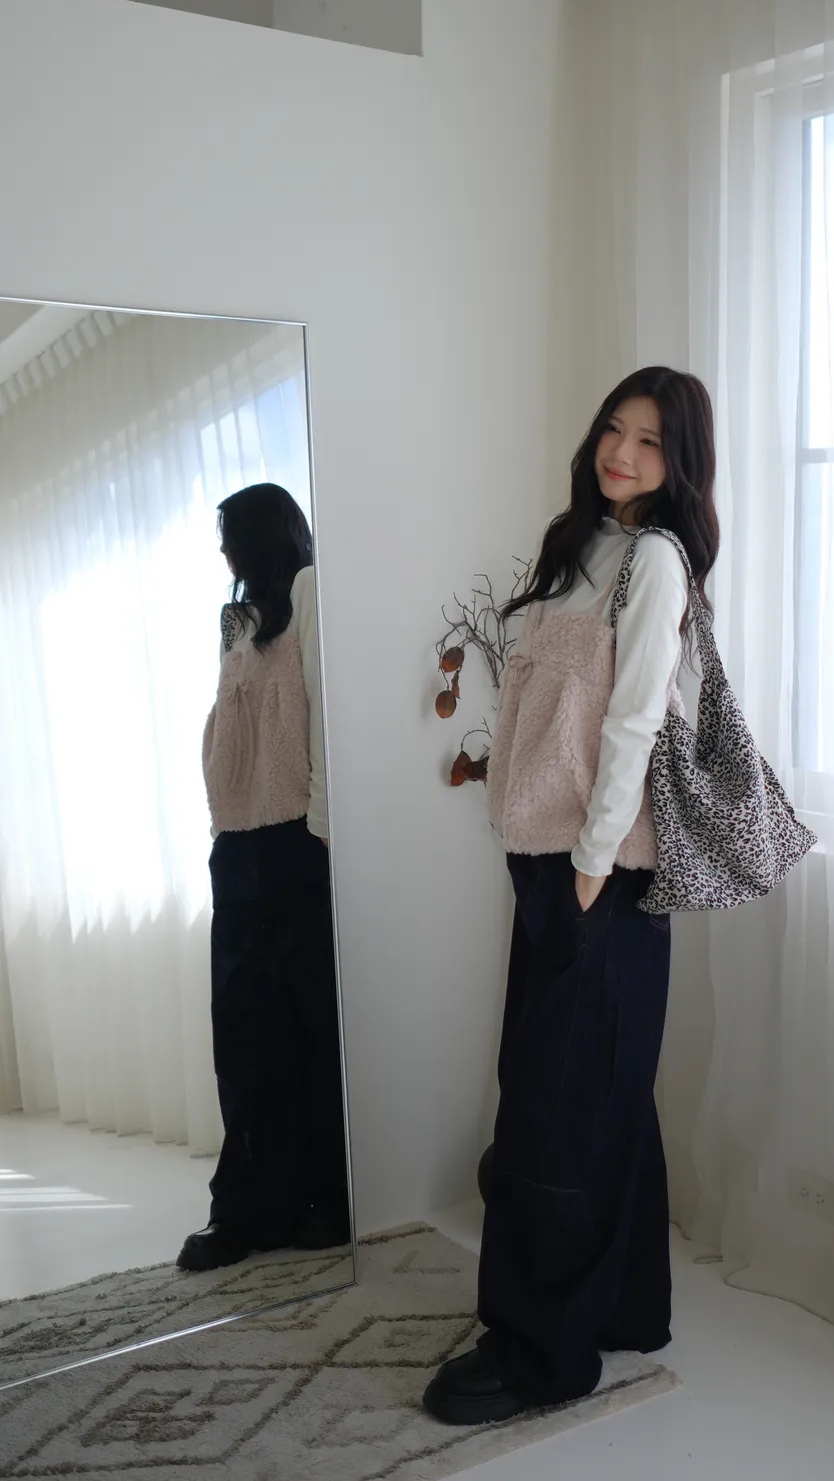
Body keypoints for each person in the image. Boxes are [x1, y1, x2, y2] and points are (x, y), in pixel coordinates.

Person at [423, 366, 719, 1424]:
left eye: (650, 441)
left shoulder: (656, 561)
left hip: (601, 871)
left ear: (680, 463)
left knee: (556, 1114)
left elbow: (636, 718)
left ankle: (540, 1353)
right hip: (551, 860)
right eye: (613, 430)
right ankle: (623, 1306)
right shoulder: (583, 546)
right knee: (598, 1096)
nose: (622, 454)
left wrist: (592, 860)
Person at [177, 482, 350, 1272]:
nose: (223, 549)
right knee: (245, 1034)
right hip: (238, 844)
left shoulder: (310, 591)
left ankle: (328, 1198)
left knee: (311, 1027)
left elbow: (322, 711)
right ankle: (249, 1206)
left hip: (296, 838)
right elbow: (230, 729)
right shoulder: (235, 621)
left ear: (264, 534)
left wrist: (321, 830)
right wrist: (221, 824)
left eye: (231, 533)